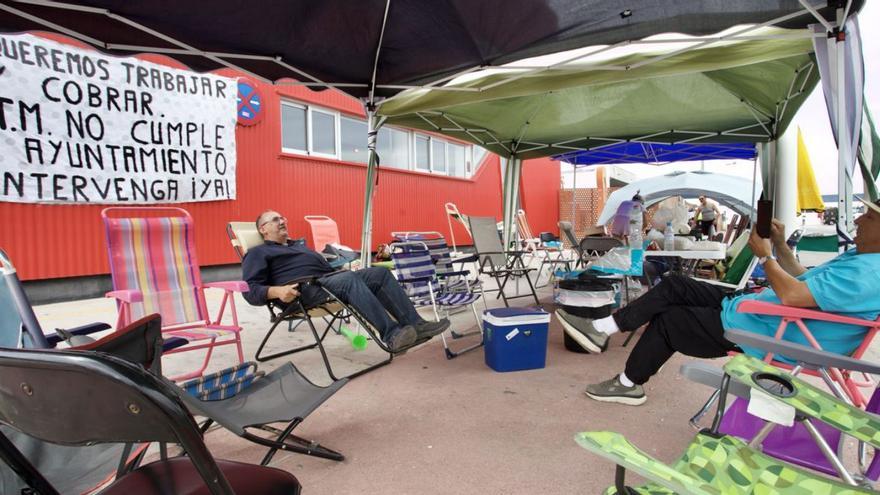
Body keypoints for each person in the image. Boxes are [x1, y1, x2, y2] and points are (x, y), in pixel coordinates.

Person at [572, 197, 880, 406]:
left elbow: (793, 295)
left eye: (869, 216)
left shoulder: (868, 275)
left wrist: (765, 255)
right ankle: (604, 326)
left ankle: (628, 383)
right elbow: (802, 279)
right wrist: (781, 246)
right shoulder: (862, 257)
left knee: (670, 320)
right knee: (675, 285)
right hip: (760, 310)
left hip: (771, 329)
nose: (859, 219)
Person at [243, 210, 450, 352]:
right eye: (275, 219)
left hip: (328, 280)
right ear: (263, 229)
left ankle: (416, 324)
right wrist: (276, 292)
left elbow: (327, 269)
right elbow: (249, 290)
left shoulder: (298, 246)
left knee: (379, 274)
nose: (282, 221)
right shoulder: (258, 253)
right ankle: (393, 335)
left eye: (283, 218)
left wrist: (345, 268)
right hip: (305, 291)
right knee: (349, 279)